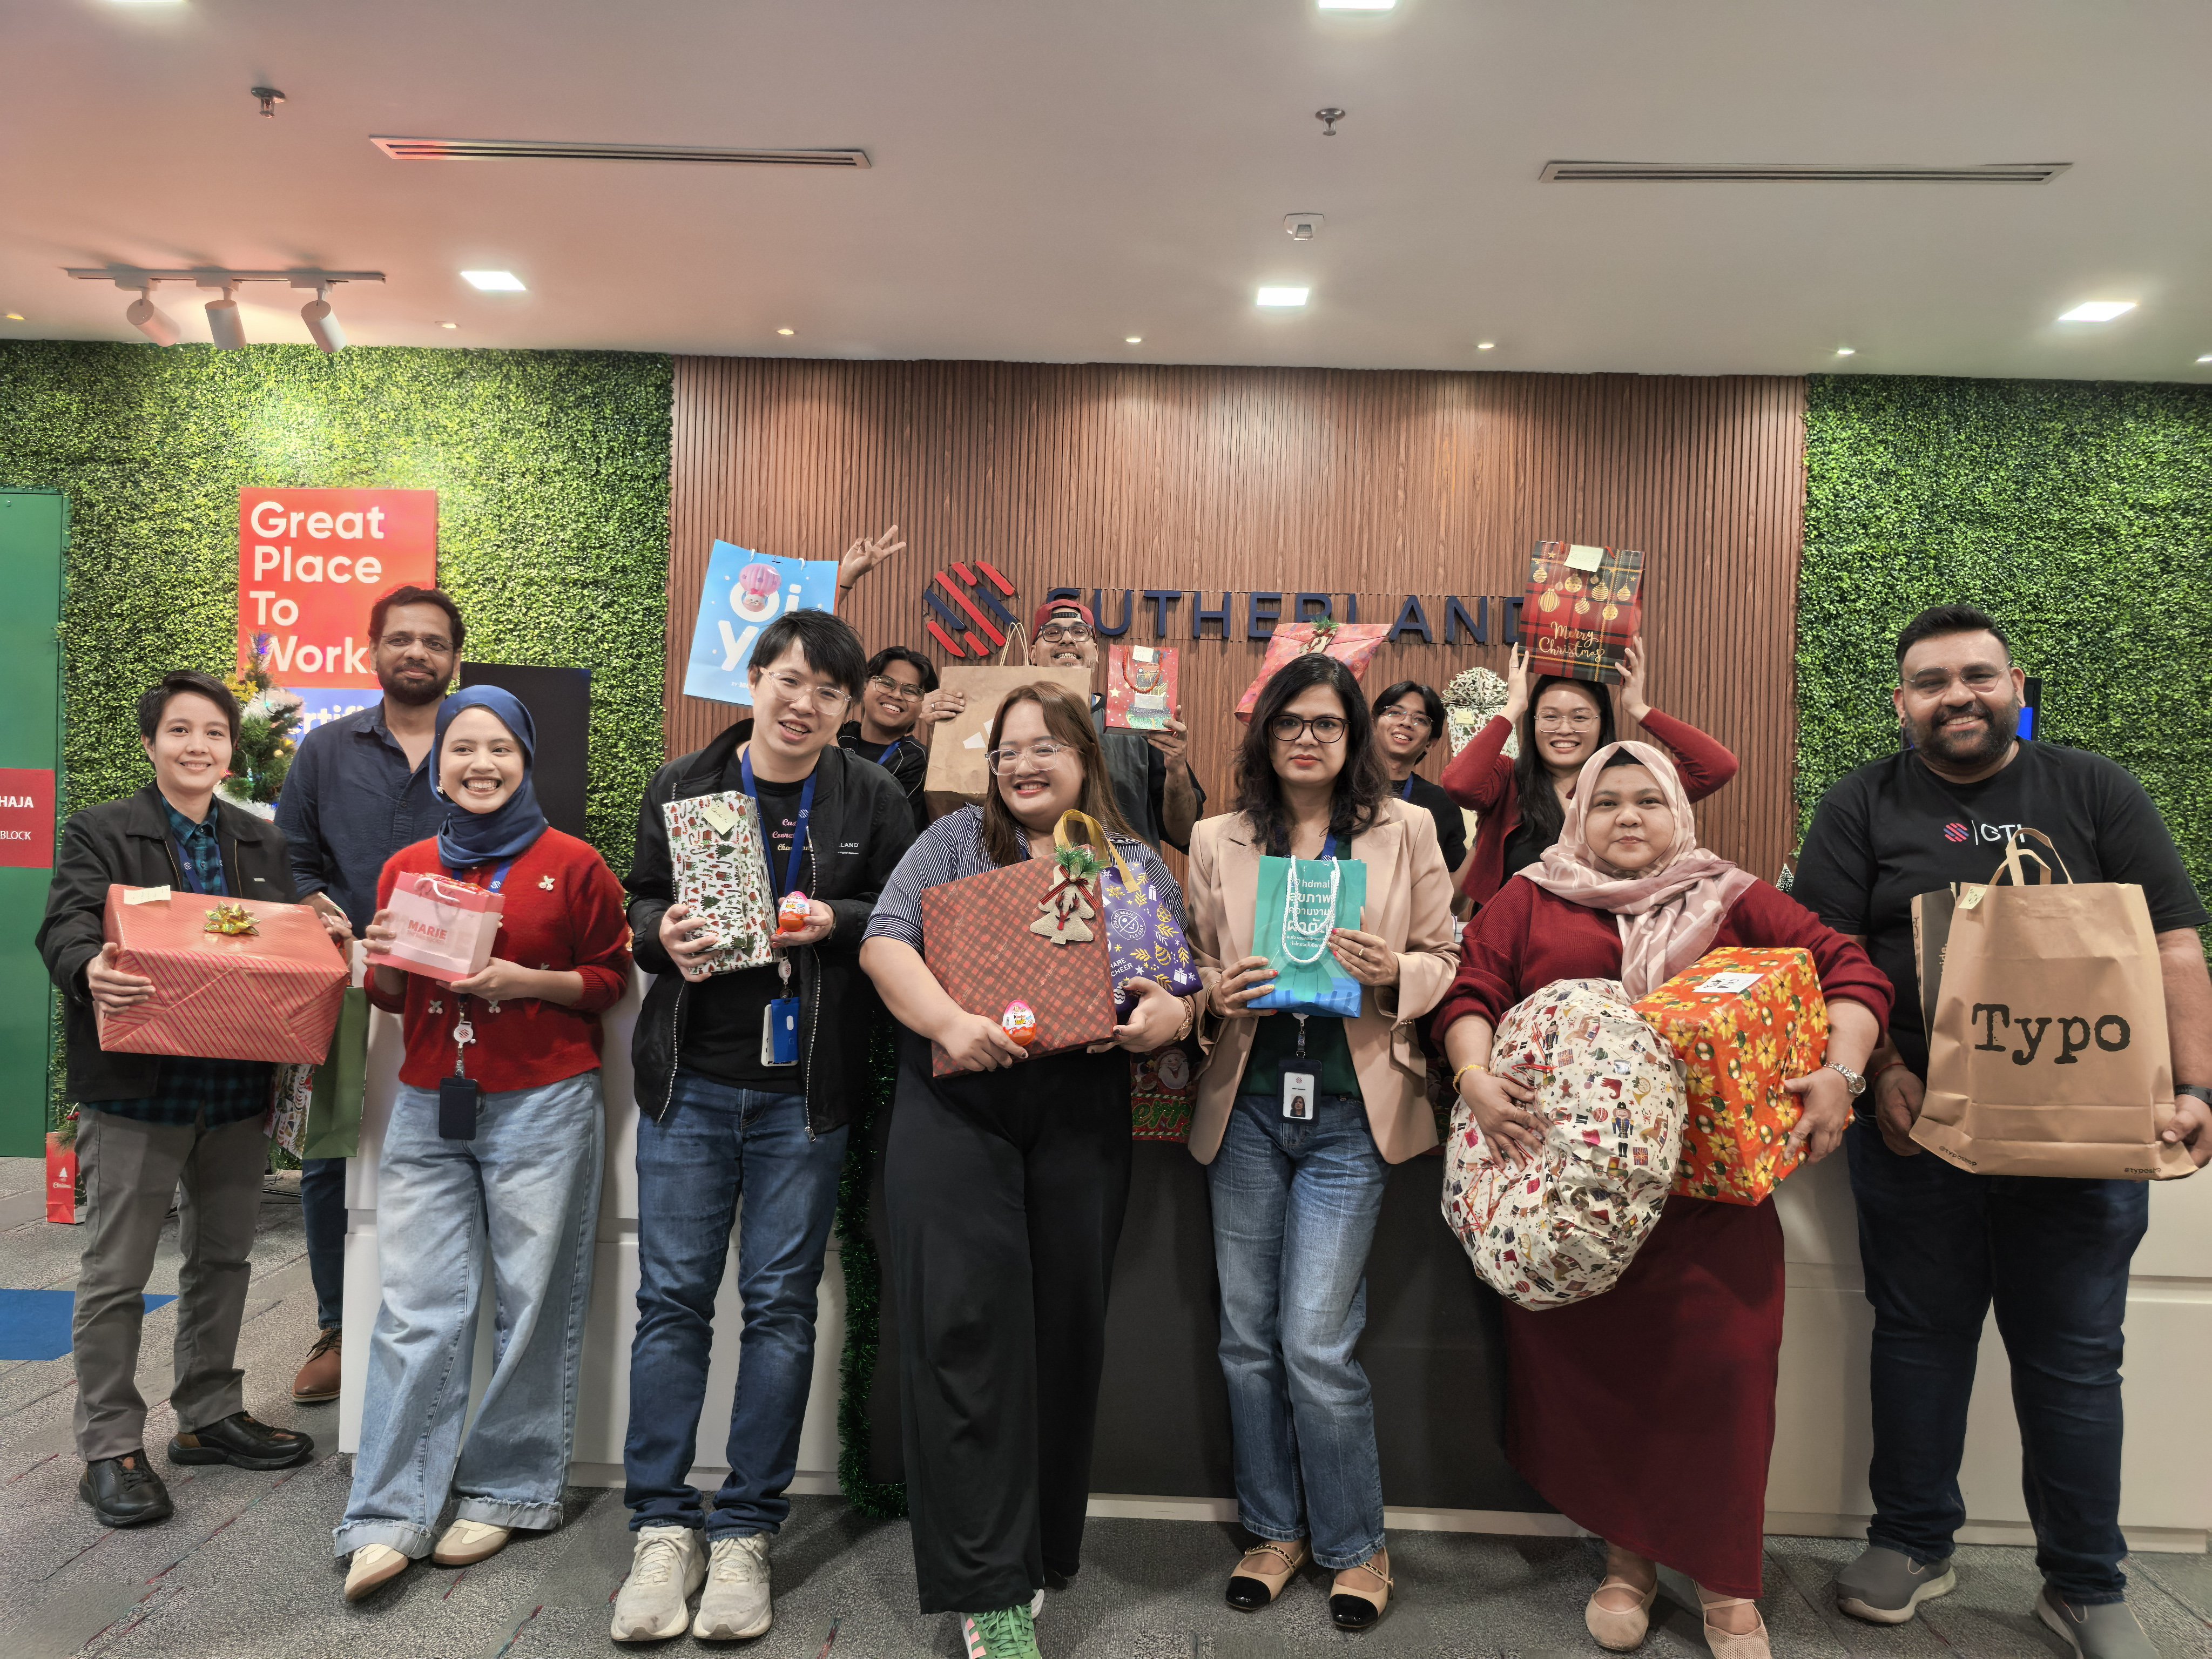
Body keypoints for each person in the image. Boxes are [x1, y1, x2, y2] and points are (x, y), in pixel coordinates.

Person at [1791, 605, 2211, 1659]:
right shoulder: (1859, 804)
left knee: (2074, 1360)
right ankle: (1910, 1542)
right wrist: (1881, 1074)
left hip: (2082, 1137)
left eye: (1977, 676)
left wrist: (2196, 1086)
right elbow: (1825, 958)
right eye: (1931, 682)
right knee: (1916, 1340)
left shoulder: (2094, 791)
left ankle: (2084, 1580)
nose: (1957, 697)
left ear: (2016, 688)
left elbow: (2170, 943)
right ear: (1901, 703)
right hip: (1917, 1127)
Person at [1434, 741, 1889, 1659]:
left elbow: (1849, 970)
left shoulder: (1729, 895)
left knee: (1726, 1381)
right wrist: (1475, 1076)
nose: (1628, 818)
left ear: (1678, 809)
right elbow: (1469, 989)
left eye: (1647, 799)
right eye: (1606, 803)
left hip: (1709, 1204)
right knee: (1604, 1387)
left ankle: (1728, 1583)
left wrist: (1840, 1073)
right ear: (1577, 815)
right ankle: (1625, 1561)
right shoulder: (1532, 896)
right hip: (1575, 1206)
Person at [859, 682, 1194, 1659]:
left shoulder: (1130, 860)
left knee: (1063, 1334)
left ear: (1087, 756)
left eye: (1047, 745)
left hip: (1081, 1108)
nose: (1023, 763)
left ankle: (1039, 1551)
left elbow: (1182, 976)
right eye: (1007, 749)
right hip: (959, 1102)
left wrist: (1173, 1013)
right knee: (963, 1330)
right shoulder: (954, 843)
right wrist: (948, 1021)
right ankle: (989, 1590)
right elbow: (884, 941)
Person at [612, 610, 916, 1644]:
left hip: (804, 1095)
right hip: (690, 1084)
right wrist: (661, 932)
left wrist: (836, 920)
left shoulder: (871, 796)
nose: (805, 704)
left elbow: (901, 912)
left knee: (781, 1306)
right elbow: (640, 903)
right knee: (671, 1303)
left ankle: (744, 1530)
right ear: (752, 681)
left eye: (828, 692)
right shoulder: (682, 784)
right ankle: (661, 1526)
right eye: (789, 680)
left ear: (846, 707)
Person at [335, 686, 633, 1600]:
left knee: (532, 1301)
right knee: (416, 1305)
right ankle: (389, 1510)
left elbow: (609, 978)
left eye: (500, 747)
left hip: (544, 1102)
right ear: (439, 764)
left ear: (526, 759)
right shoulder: (409, 866)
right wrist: (379, 957)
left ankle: (509, 1487)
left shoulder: (574, 863)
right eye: (463, 747)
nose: (481, 764)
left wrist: (524, 980)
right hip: (431, 1100)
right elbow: (394, 997)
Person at [1181, 652, 1457, 1631]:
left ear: (1353, 738)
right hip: (1247, 1109)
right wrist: (1214, 992)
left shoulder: (1405, 829)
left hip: (1350, 1112)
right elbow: (1191, 961)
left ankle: (1354, 1543)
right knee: (1245, 1338)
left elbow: (1448, 955)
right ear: (1265, 735)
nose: (1307, 738)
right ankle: (1272, 1529)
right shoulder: (1215, 836)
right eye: (1290, 722)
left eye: (1326, 724)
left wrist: (1396, 974)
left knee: (1314, 1340)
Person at [38, 669, 344, 1527]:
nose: (197, 746)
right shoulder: (103, 832)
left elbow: (285, 942)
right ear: (151, 743)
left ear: (230, 751)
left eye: (213, 733)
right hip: (137, 1091)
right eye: (179, 731)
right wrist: (87, 966)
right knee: (117, 1274)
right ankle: (110, 1445)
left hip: (234, 1087)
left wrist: (322, 934)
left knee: (223, 1260)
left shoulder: (262, 843)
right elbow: (64, 923)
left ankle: (208, 1414)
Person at [272, 583, 464, 1406]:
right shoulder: (326, 750)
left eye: (434, 641)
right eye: (401, 639)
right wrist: (323, 913)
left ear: (455, 659)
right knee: (331, 1154)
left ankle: (441, 1323)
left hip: (455, 993)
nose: (417, 652)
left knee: (447, 1152)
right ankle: (338, 1326)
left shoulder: (478, 744)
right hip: (347, 983)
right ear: (373, 651)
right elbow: (289, 858)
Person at [1441, 636, 1735, 911]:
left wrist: (1637, 707)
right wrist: (1513, 707)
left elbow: (1716, 768)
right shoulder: (1507, 778)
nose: (1564, 729)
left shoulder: (1630, 783)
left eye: (1580, 717)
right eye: (1550, 717)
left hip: (1599, 937)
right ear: (1533, 723)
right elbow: (1459, 785)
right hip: (1507, 934)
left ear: (1601, 724)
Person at [1028, 596, 1204, 852]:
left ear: (1096, 652)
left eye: (1080, 632)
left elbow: (1184, 833)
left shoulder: (1137, 722)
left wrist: (1176, 767)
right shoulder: (1010, 723)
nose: (1067, 639)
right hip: (1035, 874)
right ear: (1033, 654)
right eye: (1052, 632)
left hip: (1127, 875)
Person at [838, 644, 941, 833]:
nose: (896, 695)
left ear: (923, 704)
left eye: (911, 690)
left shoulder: (918, 760)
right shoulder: (838, 736)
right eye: (886, 682)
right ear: (864, 685)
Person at [1371, 680, 1468, 876]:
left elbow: (1453, 890)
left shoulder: (1442, 803)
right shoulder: (1340, 786)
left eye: (1420, 720)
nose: (1406, 722)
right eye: (1395, 712)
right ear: (1373, 725)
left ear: (1430, 743)